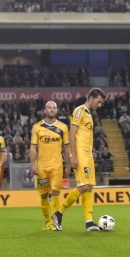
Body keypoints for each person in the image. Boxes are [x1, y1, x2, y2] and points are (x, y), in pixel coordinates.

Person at [52, 88, 106, 231]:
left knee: (89, 187)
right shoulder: (79, 111)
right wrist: (73, 156)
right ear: (91, 98)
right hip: (80, 153)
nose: (99, 105)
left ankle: (89, 222)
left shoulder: (88, 114)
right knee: (83, 186)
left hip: (88, 154)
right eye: (98, 102)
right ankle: (58, 213)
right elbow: (72, 134)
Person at [30, 101, 70, 230]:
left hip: (57, 165)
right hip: (42, 166)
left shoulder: (63, 127)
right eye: (49, 107)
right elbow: (33, 147)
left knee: (55, 192)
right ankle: (47, 221)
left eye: (54, 108)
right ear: (45, 110)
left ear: (56, 111)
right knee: (43, 195)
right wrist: (32, 164)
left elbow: (67, 147)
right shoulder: (37, 127)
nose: (52, 110)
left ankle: (55, 222)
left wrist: (68, 165)